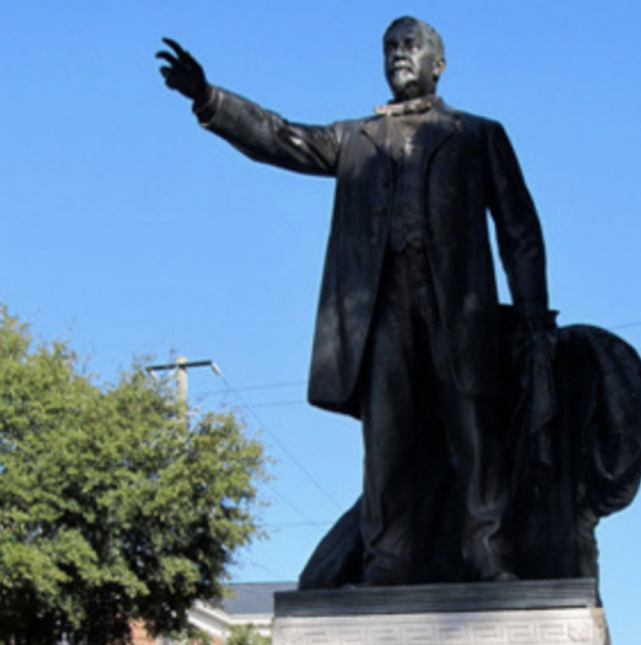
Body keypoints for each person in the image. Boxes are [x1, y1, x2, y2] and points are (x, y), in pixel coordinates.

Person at [157, 17, 549, 586]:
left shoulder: (477, 135)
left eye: (410, 46)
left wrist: (534, 317)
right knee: (385, 443)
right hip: (381, 313)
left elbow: (520, 229)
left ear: (439, 63)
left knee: (475, 435)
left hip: (458, 313)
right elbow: (280, 137)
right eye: (390, 47)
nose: (398, 55)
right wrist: (210, 98)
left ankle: (486, 554)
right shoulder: (355, 138)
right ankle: (388, 562)